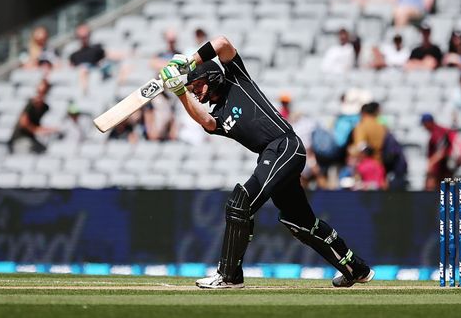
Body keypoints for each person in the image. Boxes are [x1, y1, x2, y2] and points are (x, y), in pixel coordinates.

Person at [159, 36, 375, 288]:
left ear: (211, 77)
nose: (195, 92)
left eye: (196, 86)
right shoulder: (217, 114)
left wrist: (189, 61)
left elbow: (221, 44)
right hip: (272, 155)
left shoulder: (235, 78)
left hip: (285, 146)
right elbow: (206, 123)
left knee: (241, 203)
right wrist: (180, 92)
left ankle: (229, 276)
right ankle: (355, 268)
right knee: (299, 222)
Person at [8, 79, 59, 154]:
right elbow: (24, 122)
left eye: (44, 92)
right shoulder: (30, 104)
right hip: (21, 139)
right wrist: (36, 130)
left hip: (32, 139)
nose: (40, 94)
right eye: (39, 91)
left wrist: (48, 129)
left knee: (45, 151)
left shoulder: (45, 107)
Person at [69, 24, 107, 91]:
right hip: (78, 75)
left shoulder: (96, 49)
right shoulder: (74, 54)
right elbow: (70, 67)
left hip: (94, 73)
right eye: (81, 36)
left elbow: (107, 57)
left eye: (86, 35)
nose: (84, 38)